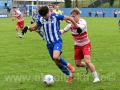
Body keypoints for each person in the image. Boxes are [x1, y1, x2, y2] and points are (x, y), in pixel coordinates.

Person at [22, 6, 82, 83]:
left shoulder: (55, 16)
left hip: (57, 41)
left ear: (48, 12)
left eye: (45, 15)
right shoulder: (41, 19)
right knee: (57, 62)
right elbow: (35, 28)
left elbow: (70, 18)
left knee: (56, 57)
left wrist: (77, 27)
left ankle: (68, 65)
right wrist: (27, 27)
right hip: (49, 44)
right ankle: (70, 75)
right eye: (43, 16)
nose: (44, 17)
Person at [60, 8, 100, 83]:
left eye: (74, 16)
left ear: (78, 15)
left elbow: (79, 29)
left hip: (86, 44)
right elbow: (63, 31)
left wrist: (71, 22)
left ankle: (96, 77)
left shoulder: (83, 22)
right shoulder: (70, 25)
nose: (73, 18)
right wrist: (55, 32)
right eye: (72, 16)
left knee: (87, 60)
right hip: (77, 46)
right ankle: (86, 66)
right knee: (77, 64)